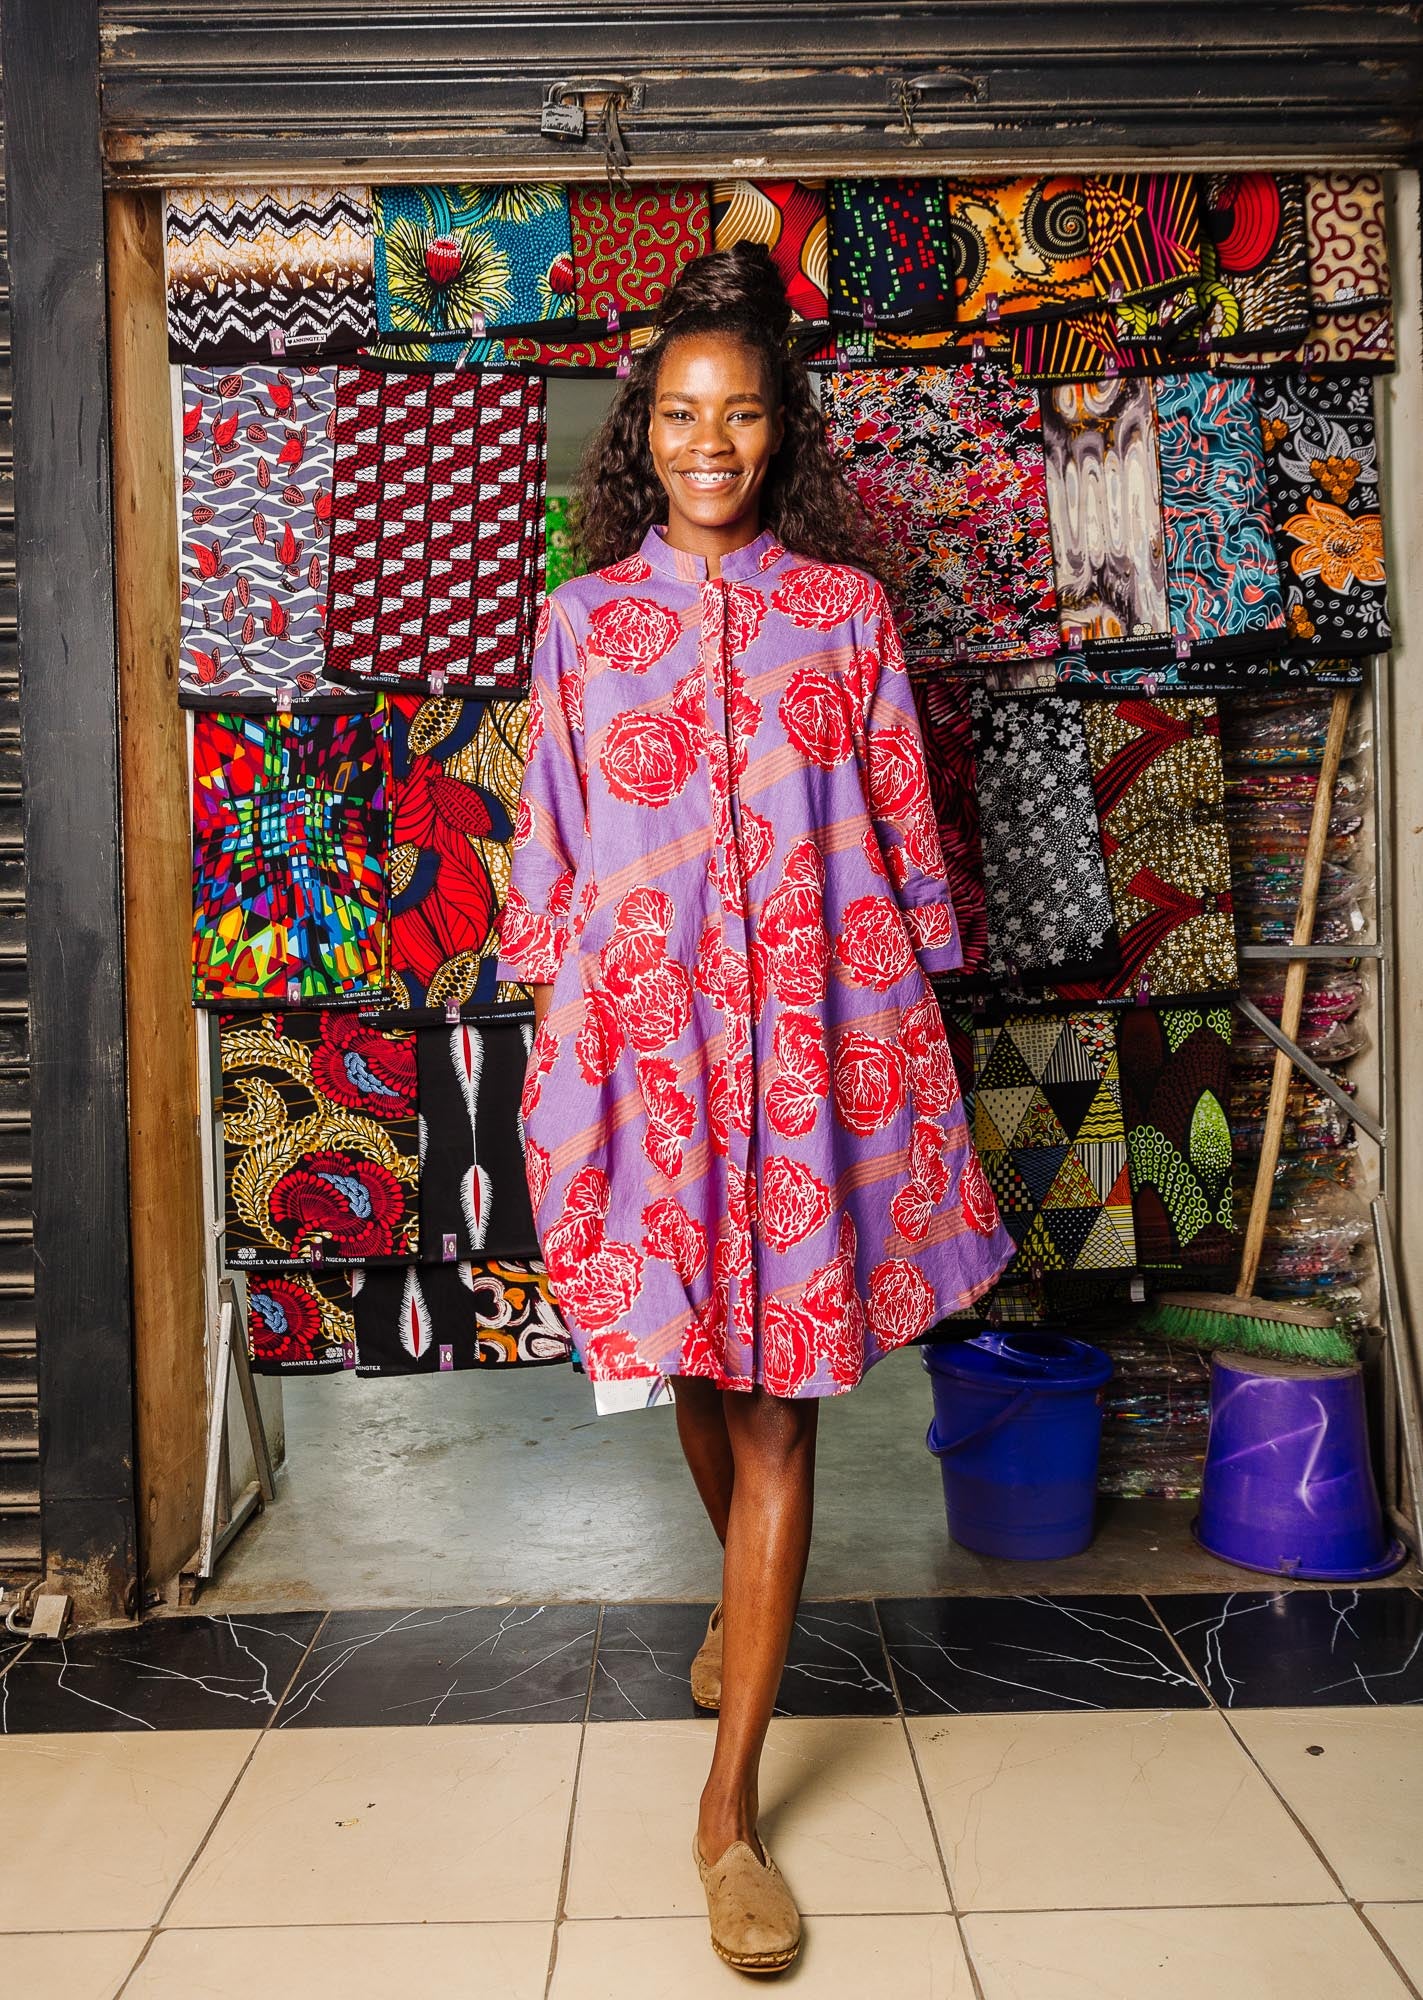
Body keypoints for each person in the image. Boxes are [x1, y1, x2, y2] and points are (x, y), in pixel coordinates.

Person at [496, 242, 1014, 1976]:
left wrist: (914, 985)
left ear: (780, 433)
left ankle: (727, 1819)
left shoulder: (847, 618)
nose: (710, 442)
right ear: (643, 435)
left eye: (742, 415)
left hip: (806, 1050)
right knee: (688, 1366)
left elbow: (898, 833)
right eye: (681, 416)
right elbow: (552, 855)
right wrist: (562, 1043)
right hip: (645, 1055)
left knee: (784, 1412)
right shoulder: (581, 628)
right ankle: (752, 1599)